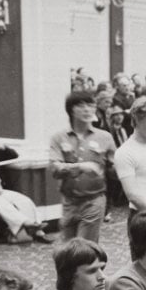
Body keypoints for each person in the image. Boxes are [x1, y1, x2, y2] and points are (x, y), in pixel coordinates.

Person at [49, 92, 116, 243]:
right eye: (81, 106)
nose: (87, 110)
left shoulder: (105, 137)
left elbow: (114, 168)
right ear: (71, 110)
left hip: (94, 200)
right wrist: (81, 167)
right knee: (69, 247)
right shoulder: (59, 138)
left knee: (84, 246)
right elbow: (54, 168)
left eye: (91, 105)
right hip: (69, 201)